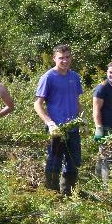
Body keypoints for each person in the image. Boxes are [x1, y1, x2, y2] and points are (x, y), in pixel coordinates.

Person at [34, 44, 83, 195]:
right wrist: (50, 124)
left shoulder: (74, 77)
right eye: (61, 58)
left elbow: (76, 100)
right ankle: (52, 195)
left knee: (74, 163)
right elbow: (37, 104)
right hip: (56, 129)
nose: (65, 61)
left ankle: (67, 194)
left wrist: (82, 118)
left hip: (73, 128)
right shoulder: (48, 77)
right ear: (54, 58)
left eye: (68, 57)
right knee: (53, 162)